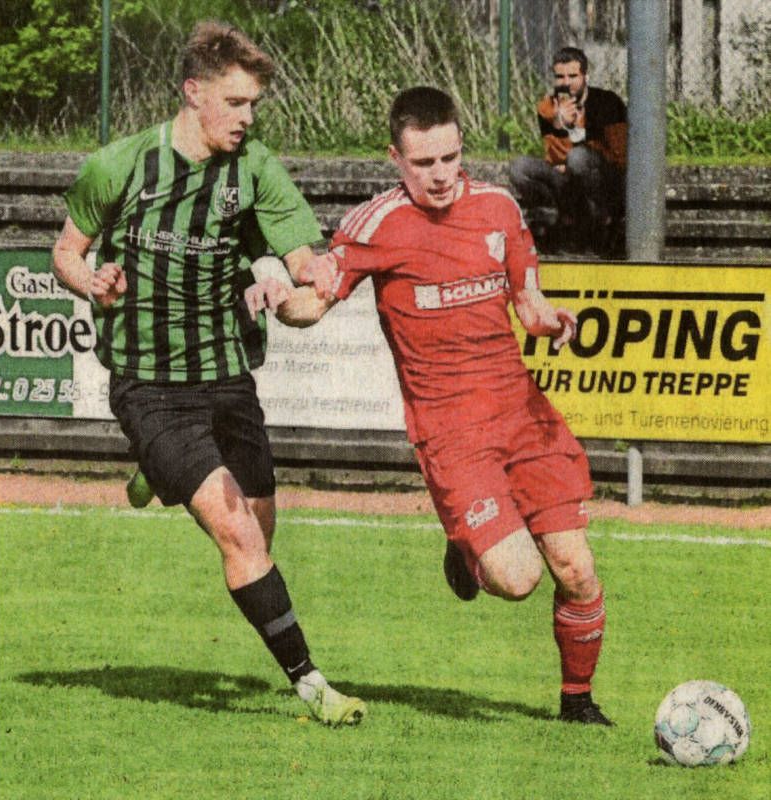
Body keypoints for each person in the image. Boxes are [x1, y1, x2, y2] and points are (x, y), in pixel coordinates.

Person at [250, 86, 614, 725]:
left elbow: (528, 303)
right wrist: (279, 296)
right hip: (452, 432)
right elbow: (314, 304)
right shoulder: (376, 225)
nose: (442, 175)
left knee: (578, 569)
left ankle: (577, 705)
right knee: (518, 578)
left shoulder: (499, 209)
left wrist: (553, 320)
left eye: (450, 158)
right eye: (424, 164)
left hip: (522, 415)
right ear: (396, 157)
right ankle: (467, 542)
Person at [51, 20, 365, 727]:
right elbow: (64, 252)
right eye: (236, 103)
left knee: (261, 532)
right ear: (193, 94)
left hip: (226, 378)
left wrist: (301, 288)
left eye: (255, 105)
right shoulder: (121, 165)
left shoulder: (255, 167)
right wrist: (88, 279)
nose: (248, 119)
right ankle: (313, 687)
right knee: (239, 538)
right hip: (148, 384)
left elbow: (305, 266)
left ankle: (159, 475)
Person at [509, 46, 627, 255]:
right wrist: (560, 125)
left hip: (604, 181)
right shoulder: (548, 107)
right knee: (519, 167)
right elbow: (554, 158)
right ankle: (555, 216)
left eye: (573, 76)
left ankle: (600, 225)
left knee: (578, 158)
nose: (566, 83)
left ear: (585, 76)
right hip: (569, 184)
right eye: (560, 76)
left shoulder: (607, 103)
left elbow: (620, 155)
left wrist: (580, 140)